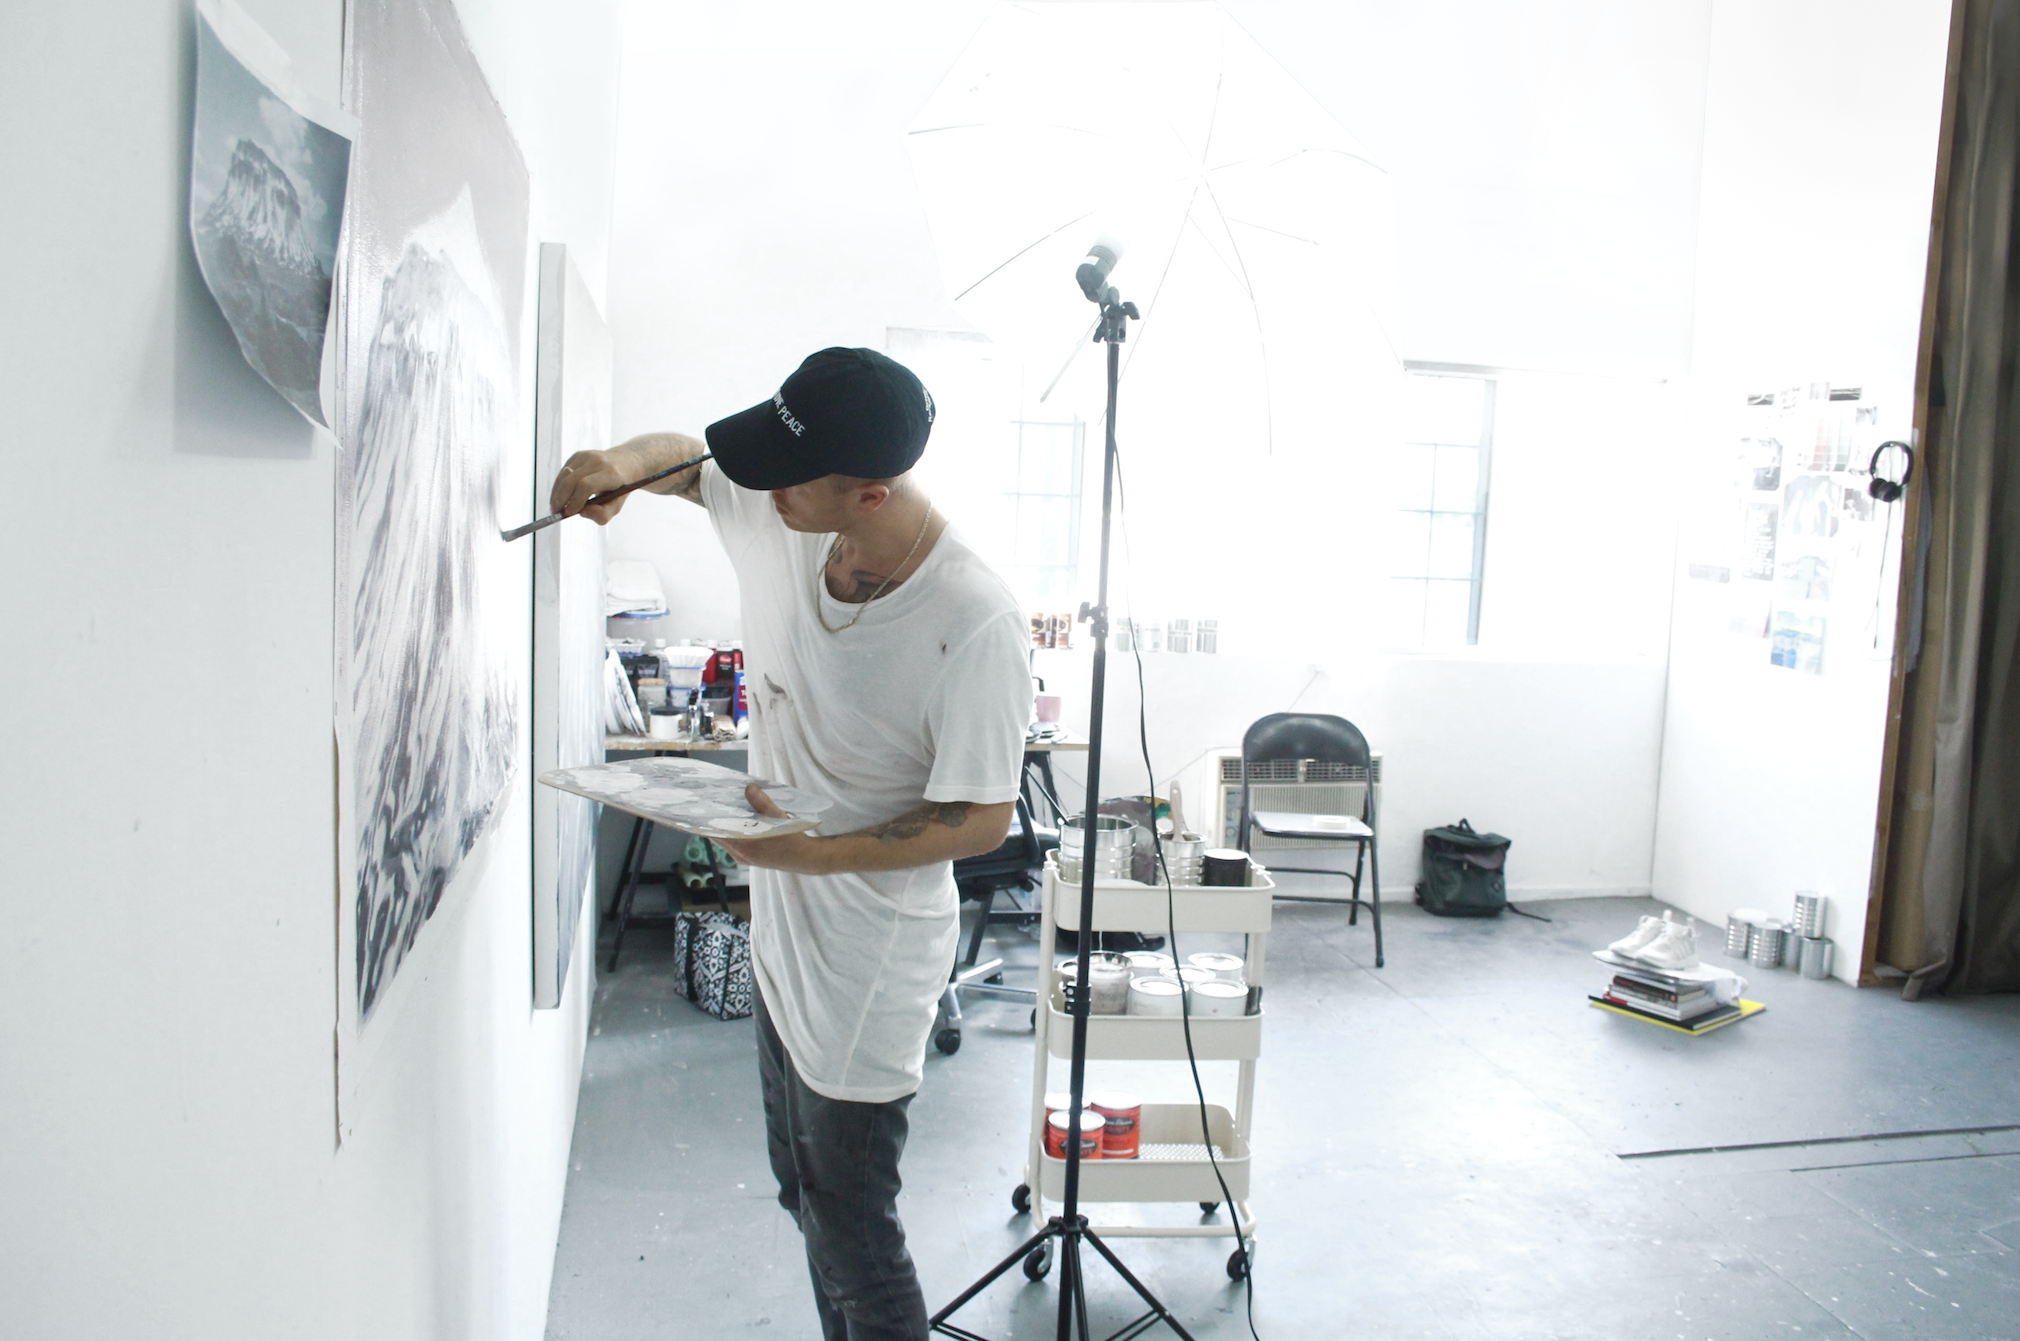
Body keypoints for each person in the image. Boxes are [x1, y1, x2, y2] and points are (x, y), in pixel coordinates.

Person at [551, 347, 1033, 1341]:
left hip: (869, 956)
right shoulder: (793, 511)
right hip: (781, 935)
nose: (762, 488)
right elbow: (691, 464)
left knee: (853, 1226)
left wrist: (809, 855)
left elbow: (980, 818)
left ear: (870, 493)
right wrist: (621, 465)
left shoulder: (973, 620)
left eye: (787, 475)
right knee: (800, 1191)